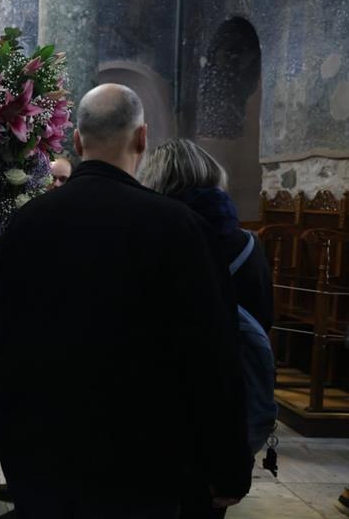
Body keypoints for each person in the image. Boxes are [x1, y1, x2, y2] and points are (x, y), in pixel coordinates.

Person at [0, 84, 251, 518]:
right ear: (142, 138)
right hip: (142, 461)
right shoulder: (178, 227)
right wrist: (228, 464)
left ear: (77, 141)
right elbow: (212, 353)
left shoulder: (26, 224)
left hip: (43, 453)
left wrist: (12, 444)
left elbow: (7, 340)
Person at [139, 139, 274, 519]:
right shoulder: (249, 246)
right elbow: (263, 322)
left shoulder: (155, 240)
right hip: (228, 417)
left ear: (156, 181)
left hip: (161, 419)